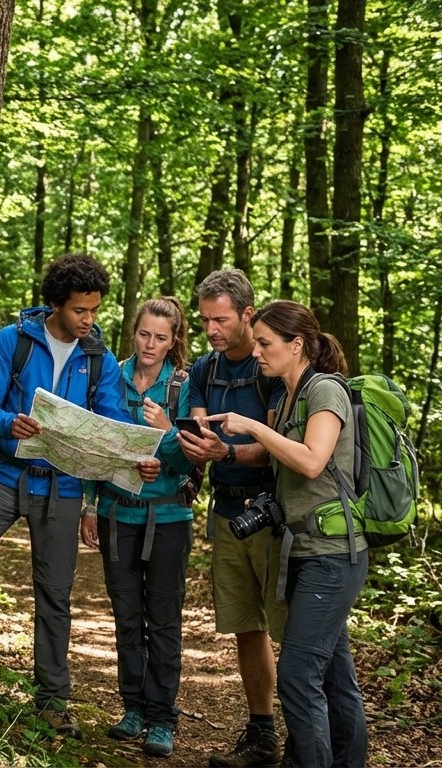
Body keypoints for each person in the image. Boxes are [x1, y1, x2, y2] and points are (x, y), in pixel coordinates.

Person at [0, 254, 160, 739]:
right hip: (3, 474)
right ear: (56, 304)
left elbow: (108, 425)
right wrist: (6, 423)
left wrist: (130, 459)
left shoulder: (96, 358)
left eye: (96, 310)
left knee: (55, 594)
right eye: (81, 310)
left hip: (62, 487)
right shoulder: (13, 341)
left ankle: (54, 702)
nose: (89, 320)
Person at [205, 299, 368, 767]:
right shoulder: (287, 396)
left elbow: (313, 459)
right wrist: (228, 452)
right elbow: (277, 456)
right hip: (303, 549)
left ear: (297, 345)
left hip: (333, 556)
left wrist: (253, 425)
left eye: (265, 343)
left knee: (298, 676)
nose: (256, 351)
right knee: (336, 678)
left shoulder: (326, 392)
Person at [176, 269, 286, 767]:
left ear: (247, 313)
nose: (212, 330)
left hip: (273, 512)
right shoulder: (204, 368)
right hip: (226, 511)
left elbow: (283, 449)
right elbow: (202, 434)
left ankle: (314, 739)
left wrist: (227, 453)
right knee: (247, 627)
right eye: (204, 321)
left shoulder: (274, 369)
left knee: (293, 629)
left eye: (221, 320)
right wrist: (192, 446)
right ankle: (263, 734)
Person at [81, 297, 195, 758]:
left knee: (162, 621)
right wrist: (90, 504)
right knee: (126, 617)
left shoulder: (183, 385)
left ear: (174, 342)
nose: (151, 345)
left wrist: (166, 433)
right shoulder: (113, 373)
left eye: (161, 338)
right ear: (135, 331)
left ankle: (162, 718)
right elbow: (94, 440)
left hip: (167, 518)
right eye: (145, 334)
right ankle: (133, 707)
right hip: (115, 514)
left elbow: (191, 452)